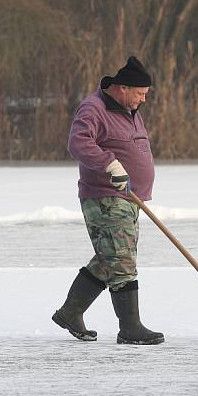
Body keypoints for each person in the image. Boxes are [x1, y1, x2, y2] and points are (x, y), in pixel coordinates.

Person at [52, 56, 164, 345]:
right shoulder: (94, 108)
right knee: (121, 261)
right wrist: (110, 164)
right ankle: (130, 328)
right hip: (105, 197)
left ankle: (70, 312)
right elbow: (78, 142)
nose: (142, 100)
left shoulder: (129, 109)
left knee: (109, 259)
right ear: (122, 88)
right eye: (140, 94)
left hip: (130, 198)